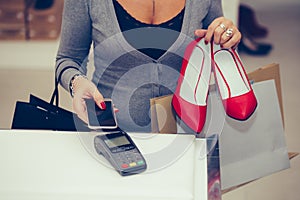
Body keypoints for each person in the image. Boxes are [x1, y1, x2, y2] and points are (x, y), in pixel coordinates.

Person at [55, 0, 241, 132]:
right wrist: (77, 82)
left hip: (185, 132)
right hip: (111, 135)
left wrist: (227, 38)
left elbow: (216, 49)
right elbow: (68, 58)